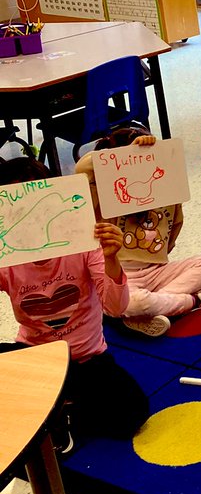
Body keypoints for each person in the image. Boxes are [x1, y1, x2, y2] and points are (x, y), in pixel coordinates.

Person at [0, 156, 148, 447]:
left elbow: (116, 308)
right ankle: (55, 409)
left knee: (134, 411)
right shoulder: (7, 260)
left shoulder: (82, 242)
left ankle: (57, 412)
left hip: (86, 358)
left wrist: (111, 259)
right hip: (36, 357)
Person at [77, 124, 201, 337]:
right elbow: (82, 169)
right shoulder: (101, 198)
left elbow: (173, 234)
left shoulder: (162, 195)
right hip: (118, 278)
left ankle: (148, 310)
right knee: (134, 302)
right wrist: (122, 156)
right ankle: (197, 298)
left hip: (156, 272)